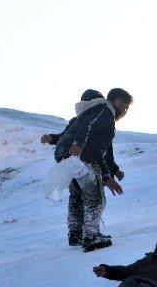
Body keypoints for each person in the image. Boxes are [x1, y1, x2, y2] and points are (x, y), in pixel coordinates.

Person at [40, 87, 133, 252]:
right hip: (80, 156)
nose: (123, 110)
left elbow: (101, 151)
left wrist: (110, 173)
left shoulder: (82, 118)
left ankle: (76, 233)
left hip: (69, 157)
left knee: (77, 196)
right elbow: (92, 141)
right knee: (95, 196)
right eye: (121, 105)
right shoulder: (103, 111)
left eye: (126, 107)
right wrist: (78, 144)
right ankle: (91, 236)